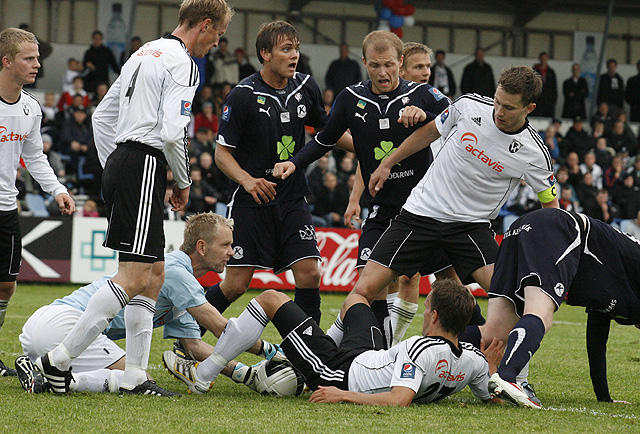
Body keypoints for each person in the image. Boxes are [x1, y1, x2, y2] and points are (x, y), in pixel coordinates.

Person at [35, 0, 233, 397]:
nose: (216, 44)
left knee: (155, 275)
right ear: (205, 25)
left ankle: (135, 377)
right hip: (144, 160)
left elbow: (102, 117)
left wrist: (116, 166)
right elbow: (173, 130)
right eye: (219, 34)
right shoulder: (184, 62)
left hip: (130, 161)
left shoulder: (144, 52)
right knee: (134, 277)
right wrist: (181, 179)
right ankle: (54, 362)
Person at [341, 66, 558, 353]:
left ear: (529, 108)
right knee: (363, 291)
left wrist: (549, 257)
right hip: (420, 214)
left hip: (472, 227)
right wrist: (387, 163)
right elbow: (429, 132)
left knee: (512, 302)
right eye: (497, 101)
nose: (499, 111)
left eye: (508, 107)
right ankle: (351, 358)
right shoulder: (467, 106)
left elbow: (552, 209)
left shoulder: (534, 153)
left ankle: (511, 378)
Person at [272, 35, 460, 347]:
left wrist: (425, 116)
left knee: (451, 284)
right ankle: (371, 351)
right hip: (382, 211)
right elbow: (326, 138)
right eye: (375, 65)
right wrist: (295, 162)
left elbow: (458, 119)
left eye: (389, 65)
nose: (383, 72)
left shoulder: (423, 94)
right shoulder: (350, 98)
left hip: (426, 211)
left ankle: (477, 356)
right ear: (365, 64)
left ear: (399, 62)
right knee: (367, 287)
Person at [17, 213, 283, 394]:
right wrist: (273, 352)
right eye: (226, 245)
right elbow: (222, 329)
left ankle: (39, 364)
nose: (231, 252)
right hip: (64, 326)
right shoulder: (175, 272)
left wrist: (245, 375)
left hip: (44, 325)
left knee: (135, 376)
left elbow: (194, 346)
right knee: (136, 380)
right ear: (201, 247)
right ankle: (47, 373)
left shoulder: (179, 277)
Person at [207, 21, 351, 325]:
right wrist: (247, 181)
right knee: (236, 284)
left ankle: (309, 352)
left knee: (310, 273)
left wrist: (368, 149)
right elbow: (222, 154)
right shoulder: (242, 95)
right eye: (286, 49)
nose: (294, 55)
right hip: (252, 201)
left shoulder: (306, 87)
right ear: (265, 53)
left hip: (292, 198)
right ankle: (187, 336)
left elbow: (327, 131)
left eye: (296, 48)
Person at [164, 278, 504, 405]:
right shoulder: (473, 359)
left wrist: (343, 394)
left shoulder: (419, 348)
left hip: (339, 372)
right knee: (357, 300)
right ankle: (296, 355)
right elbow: (491, 395)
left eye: (426, 305)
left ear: (433, 316)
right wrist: (492, 373)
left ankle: (204, 376)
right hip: (371, 355)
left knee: (270, 297)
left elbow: (399, 400)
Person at [462, 208, 640, 406]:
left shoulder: (623, 285)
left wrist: (604, 398)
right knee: (540, 314)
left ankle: (432, 348)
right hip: (560, 229)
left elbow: (596, 340)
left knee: (494, 333)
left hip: (521, 227)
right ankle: (507, 377)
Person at [0, 27, 75, 377]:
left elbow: (35, 158)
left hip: (6, 208)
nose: (37, 64)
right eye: (28, 58)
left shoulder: (30, 108)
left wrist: (57, 189)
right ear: (6, 62)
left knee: (6, 284)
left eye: (37, 58)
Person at [531, 52, 557, 118]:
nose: (543, 61)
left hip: (548, 100)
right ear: (540, 59)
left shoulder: (551, 72)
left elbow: (554, 87)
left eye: (545, 59)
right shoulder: (534, 70)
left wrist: (554, 100)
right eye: (542, 59)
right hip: (538, 99)